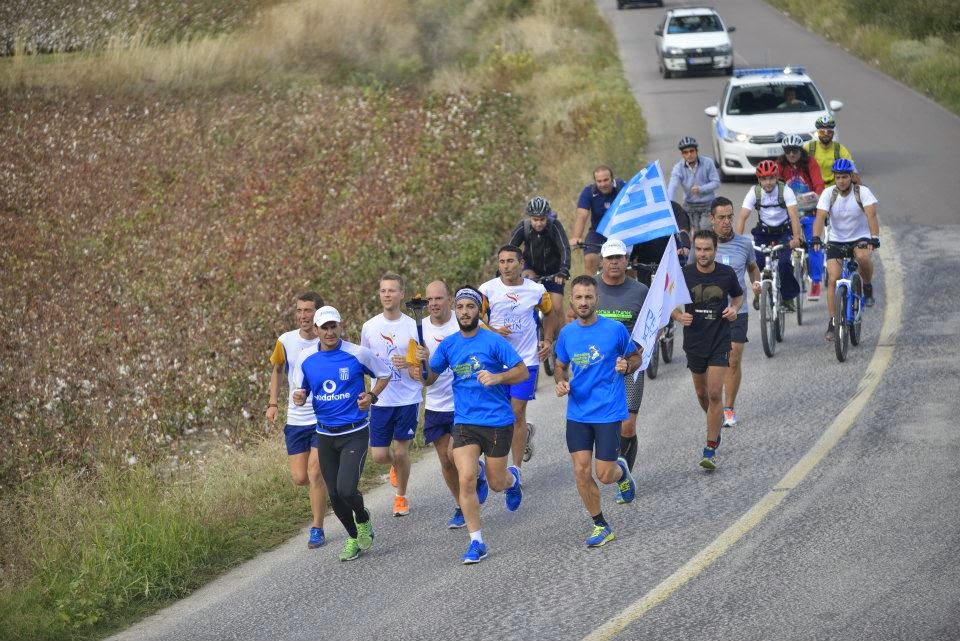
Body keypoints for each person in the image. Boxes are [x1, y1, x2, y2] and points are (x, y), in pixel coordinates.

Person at [413, 287, 528, 564]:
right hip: (465, 421)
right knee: (465, 478)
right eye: (461, 307)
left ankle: (513, 480)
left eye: (470, 307)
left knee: (497, 482)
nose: (465, 312)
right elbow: (429, 379)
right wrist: (422, 363)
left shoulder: (493, 341)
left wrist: (498, 377)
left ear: (479, 311)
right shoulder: (450, 344)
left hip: (498, 421)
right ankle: (476, 542)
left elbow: (522, 372)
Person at [292, 306, 391, 562]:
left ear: (340, 326)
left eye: (333, 326)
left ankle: (364, 518)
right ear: (315, 330)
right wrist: (300, 397)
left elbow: (384, 373)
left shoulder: (357, 354)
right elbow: (299, 392)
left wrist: (371, 396)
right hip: (324, 434)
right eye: (324, 327)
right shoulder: (305, 358)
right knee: (335, 496)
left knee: (347, 490)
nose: (329, 332)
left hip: (354, 432)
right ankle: (353, 537)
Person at [555, 275, 640, 547]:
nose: (583, 302)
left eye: (588, 297)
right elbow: (559, 365)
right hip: (577, 413)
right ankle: (600, 524)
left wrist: (627, 366)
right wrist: (560, 382)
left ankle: (621, 472)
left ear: (597, 300)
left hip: (607, 411)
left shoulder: (614, 330)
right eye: (578, 297)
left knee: (604, 475)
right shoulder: (567, 333)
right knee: (581, 471)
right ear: (571, 300)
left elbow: (635, 356)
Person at [406, 280, 489, 529]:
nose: (433, 304)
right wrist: (420, 365)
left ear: (449, 300)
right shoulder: (418, 330)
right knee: (445, 460)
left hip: (465, 403)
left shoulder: (464, 320)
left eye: (438, 299)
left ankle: (477, 472)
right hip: (436, 404)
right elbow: (418, 375)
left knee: (456, 455)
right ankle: (461, 505)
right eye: (429, 300)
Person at [672, 231, 744, 470]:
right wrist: (678, 315)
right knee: (702, 394)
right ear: (694, 250)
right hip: (694, 342)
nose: (703, 254)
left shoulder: (726, 273)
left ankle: (710, 447)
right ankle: (714, 420)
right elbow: (669, 299)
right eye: (699, 250)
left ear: (715, 251)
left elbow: (738, 296)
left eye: (707, 250)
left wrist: (734, 309)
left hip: (719, 340)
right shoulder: (685, 274)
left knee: (714, 394)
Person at [479, 245, 552, 473]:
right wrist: (492, 330)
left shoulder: (537, 290)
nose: (506, 266)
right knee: (498, 414)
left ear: (521, 264)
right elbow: (474, 319)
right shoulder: (487, 290)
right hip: (495, 362)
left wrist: (548, 340)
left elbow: (550, 313)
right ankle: (514, 442)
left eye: (511, 261)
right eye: (502, 262)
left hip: (525, 361)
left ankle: (516, 469)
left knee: (517, 413)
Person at [266, 291, 330, 549]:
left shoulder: (327, 339)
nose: (303, 316)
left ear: (319, 314)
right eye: (299, 311)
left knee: (314, 473)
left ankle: (317, 528)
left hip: (322, 416)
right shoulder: (285, 340)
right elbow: (277, 370)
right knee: (300, 477)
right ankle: (330, 483)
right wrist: (272, 404)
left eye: (308, 311)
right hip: (295, 418)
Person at [360, 274, 423, 517]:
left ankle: (401, 497)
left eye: (392, 291)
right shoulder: (370, 327)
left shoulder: (413, 325)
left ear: (401, 295)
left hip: (407, 397)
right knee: (380, 456)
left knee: (400, 451)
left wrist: (408, 364)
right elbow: (364, 362)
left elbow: (422, 368)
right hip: (381, 399)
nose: (387, 295)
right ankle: (397, 466)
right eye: (383, 290)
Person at [594, 238, 648, 493]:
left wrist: (645, 346)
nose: (614, 262)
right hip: (597, 368)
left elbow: (654, 322)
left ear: (626, 261)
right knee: (604, 424)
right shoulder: (591, 288)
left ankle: (624, 476)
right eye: (610, 258)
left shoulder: (639, 290)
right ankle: (615, 467)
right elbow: (573, 318)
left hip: (630, 364)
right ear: (602, 261)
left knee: (627, 424)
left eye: (619, 258)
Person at [811, 158, 881, 340]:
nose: (841, 181)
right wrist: (816, 238)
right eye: (838, 177)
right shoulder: (829, 194)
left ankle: (866, 286)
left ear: (851, 177)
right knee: (833, 278)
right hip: (836, 240)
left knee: (863, 258)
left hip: (860, 237)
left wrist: (874, 237)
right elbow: (820, 217)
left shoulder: (862, 192)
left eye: (844, 177)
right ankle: (833, 322)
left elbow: (871, 214)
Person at [709, 198, 761, 429]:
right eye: (721, 217)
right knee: (711, 364)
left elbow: (752, 268)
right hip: (709, 313)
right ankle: (713, 404)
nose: (727, 222)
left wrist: (757, 283)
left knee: (734, 358)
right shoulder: (703, 246)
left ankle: (728, 408)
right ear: (712, 219)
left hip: (738, 309)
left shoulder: (744, 244)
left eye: (730, 216)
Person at [735, 159, 803, 312]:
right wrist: (737, 241)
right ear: (759, 180)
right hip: (763, 233)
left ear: (777, 177)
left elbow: (793, 216)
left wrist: (796, 237)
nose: (768, 182)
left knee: (785, 264)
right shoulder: (755, 192)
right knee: (756, 263)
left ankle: (787, 298)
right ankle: (759, 293)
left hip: (784, 232)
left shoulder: (785, 191)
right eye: (764, 179)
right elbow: (742, 217)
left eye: (771, 178)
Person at [508, 196, 571, 340]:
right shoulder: (523, 227)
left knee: (556, 307)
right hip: (531, 268)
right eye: (535, 219)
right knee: (526, 302)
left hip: (554, 271)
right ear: (530, 217)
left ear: (547, 217)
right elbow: (510, 249)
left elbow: (565, 249)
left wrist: (563, 270)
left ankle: (561, 342)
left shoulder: (555, 226)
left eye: (542, 219)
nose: (539, 223)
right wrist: (507, 268)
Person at [777, 133, 826, 300]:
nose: (791, 154)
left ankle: (816, 282)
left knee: (815, 243)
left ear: (800, 150)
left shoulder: (810, 163)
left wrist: (817, 197)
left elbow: (819, 185)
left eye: (795, 151)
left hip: (810, 210)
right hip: (790, 213)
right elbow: (774, 186)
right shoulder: (780, 165)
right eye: (788, 151)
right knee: (781, 246)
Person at [569, 165, 626, 276]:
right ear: (595, 181)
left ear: (612, 178)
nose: (603, 184)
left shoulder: (622, 187)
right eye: (599, 181)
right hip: (598, 233)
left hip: (620, 231)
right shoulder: (589, 191)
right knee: (590, 259)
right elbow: (582, 215)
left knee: (628, 266)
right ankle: (589, 290)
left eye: (606, 180)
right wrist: (576, 237)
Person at [666, 137, 721, 234]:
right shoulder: (678, 168)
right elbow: (672, 186)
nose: (689, 154)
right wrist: (668, 202)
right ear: (682, 154)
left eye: (692, 151)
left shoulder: (708, 163)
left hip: (707, 204)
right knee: (686, 231)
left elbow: (716, 182)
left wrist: (701, 189)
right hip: (689, 205)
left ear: (697, 151)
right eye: (686, 152)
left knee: (705, 230)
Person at [629, 201, 692, 279]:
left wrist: (685, 244)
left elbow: (682, 229)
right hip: (645, 262)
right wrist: (632, 257)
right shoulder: (641, 208)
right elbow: (635, 232)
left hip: (670, 260)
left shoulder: (673, 207)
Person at [807, 115, 859, 187]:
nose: (826, 134)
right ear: (817, 133)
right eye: (822, 132)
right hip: (814, 187)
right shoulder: (809, 148)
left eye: (829, 132)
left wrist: (860, 190)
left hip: (835, 188)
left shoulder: (840, 149)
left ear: (833, 133)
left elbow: (853, 170)